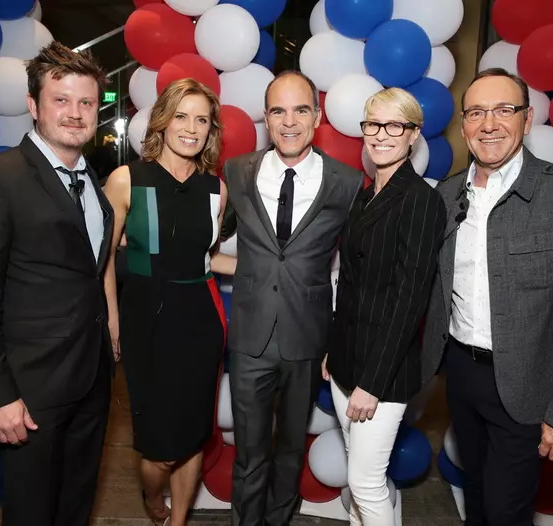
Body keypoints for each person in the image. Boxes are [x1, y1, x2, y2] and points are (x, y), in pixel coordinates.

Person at [421, 67, 553, 526]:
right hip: (462, 377)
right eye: (477, 112)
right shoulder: (446, 196)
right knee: (479, 499)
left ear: (527, 121)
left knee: (508, 511)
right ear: (464, 124)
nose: (490, 124)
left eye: (504, 110)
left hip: (528, 384)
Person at [0, 42, 114, 526]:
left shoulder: (90, 181)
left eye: (86, 102)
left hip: (90, 380)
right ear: (33, 104)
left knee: (75, 506)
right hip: (29, 390)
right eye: (61, 100)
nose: (75, 113)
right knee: (31, 512)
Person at [221, 71, 364, 526]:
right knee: (249, 451)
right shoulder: (236, 172)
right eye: (278, 110)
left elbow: (358, 271)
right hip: (250, 337)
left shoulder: (346, 182)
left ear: (317, 116)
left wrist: (343, 340)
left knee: (288, 450)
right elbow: (203, 238)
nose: (289, 121)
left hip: (308, 339)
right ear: (266, 117)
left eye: (300, 109)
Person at [102, 78, 236, 526]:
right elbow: (103, 264)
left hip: (200, 321)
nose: (192, 128)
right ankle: (152, 494)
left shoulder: (217, 189)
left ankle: (177, 522)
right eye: (182, 116)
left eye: (202, 119)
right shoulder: (126, 180)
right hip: (145, 323)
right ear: (162, 120)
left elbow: (207, 257)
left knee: (194, 437)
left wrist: (275, 267)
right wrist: (113, 322)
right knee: (158, 450)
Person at [322, 87, 447, 526]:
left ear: (414, 134)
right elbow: (352, 282)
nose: (380, 135)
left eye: (395, 125)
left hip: (382, 372)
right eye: (373, 124)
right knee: (359, 470)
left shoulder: (419, 199)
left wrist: (372, 383)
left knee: (366, 483)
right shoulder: (366, 192)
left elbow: (409, 300)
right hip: (346, 360)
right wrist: (333, 349)